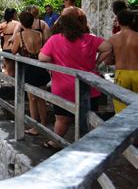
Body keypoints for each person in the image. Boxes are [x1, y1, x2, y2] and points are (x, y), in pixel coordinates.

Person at [39, 14, 112, 149]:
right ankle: (87, 145)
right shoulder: (90, 39)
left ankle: (55, 142)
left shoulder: (55, 39)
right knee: (88, 118)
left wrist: (55, 63)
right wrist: (96, 63)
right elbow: (108, 47)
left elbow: (42, 57)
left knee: (61, 119)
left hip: (63, 87)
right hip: (89, 87)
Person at [11, 11, 51, 136]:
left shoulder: (19, 35)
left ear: (21, 23)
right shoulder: (39, 34)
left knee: (32, 99)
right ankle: (44, 124)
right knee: (41, 99)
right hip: (40, 67)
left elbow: (13, 51)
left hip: (29, 69)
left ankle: (34, 126)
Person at [105, 10, 138, 113]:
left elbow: (107, 61)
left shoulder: (112, 39)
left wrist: (119, 58)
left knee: (122, 110)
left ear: (118, 22)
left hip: (121, 74)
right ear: (132, 21)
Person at [0, 8, 20, 77]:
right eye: (16, 14)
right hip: (13, 48)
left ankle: (8, 84)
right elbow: (16, 34)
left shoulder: (3, 24)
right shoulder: (17, 24)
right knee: (13, 71)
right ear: (14, 14)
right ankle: (12, 86)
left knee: (7, 69)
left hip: (5, 48)